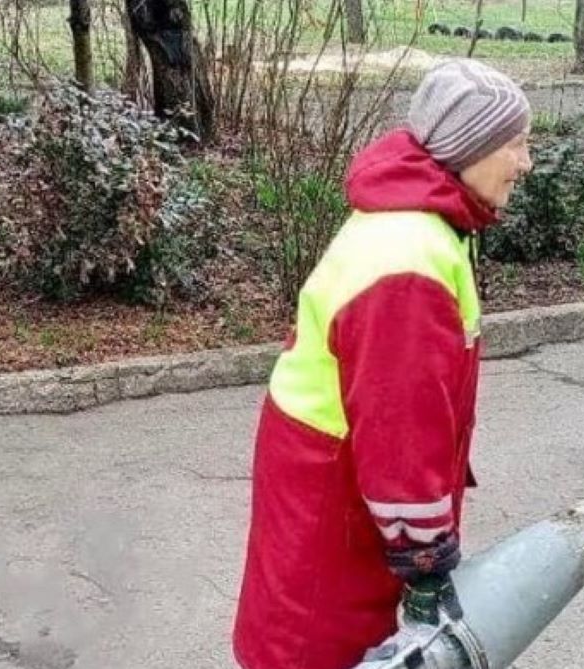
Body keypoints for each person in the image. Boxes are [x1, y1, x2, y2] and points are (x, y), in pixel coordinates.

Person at [231, 59, 533, 669]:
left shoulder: (418, 221)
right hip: (336, 495)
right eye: (515, 143)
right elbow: (401, 435)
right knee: (317, 645)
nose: (525, 163)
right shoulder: (410, 262)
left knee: (301, 628)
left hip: (328, 477)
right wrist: (426, 560)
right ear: (468, 148)